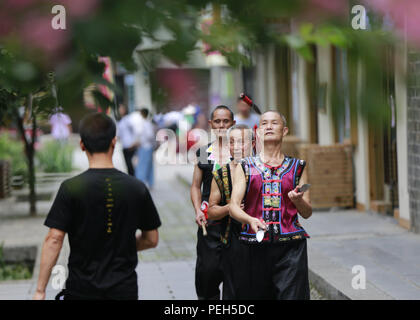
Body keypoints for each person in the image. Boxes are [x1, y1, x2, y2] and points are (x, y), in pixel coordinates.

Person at [33, 112, 161, 300]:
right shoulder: (136, 188)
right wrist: (122, 246)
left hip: (81, 290)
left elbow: (54, 239)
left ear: (82, 145)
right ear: (114, 142)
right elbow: (151, 239)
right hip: (123, 291)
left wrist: (40, 290)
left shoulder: (71, 188)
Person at [229, 110, 312, 300]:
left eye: (274, 123)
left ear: (284, 131)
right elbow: (233, 206)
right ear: (258, 132)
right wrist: (249, 219)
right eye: (264, 123)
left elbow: (307, 212)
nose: (269, 126)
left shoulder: (297, 167)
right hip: (254, 245)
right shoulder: (245, 166)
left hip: (291, 246)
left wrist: (298, 201)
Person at [190, 105, 235, 300]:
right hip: (210, 222)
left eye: (226, 121)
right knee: (207, 276)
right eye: (217, 121)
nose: (222, 125)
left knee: (236, 280)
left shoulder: (242, 152)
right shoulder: (203, 152)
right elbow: (195, 186)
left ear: (233, 124)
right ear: (210, 124)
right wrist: (198, 210)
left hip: (236, 223)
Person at [207, 124, 254, 300]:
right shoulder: (221, 174)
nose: (236, 146)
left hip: (263, 240)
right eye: (232, 142)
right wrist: (230, 208)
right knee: (233, 292)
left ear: (252, 143)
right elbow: (211, 211)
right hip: (234, 240)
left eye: (241, 142)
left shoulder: (264, 170)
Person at [135, 108, 156, 190]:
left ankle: (141, 183)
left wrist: (141, 141)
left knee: (143, 166)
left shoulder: (145, 123)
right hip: (147, 146)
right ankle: (149, 183)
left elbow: (149, 135)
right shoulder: (146, 123)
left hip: (145, 146)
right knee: (148, 166)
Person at [117, 104, 137, 176]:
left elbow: (135, 131)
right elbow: (119, 135)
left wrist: (135, 142)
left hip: (131, 145)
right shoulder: (121, 121)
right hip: (124, 145)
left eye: (121, 109)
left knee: (131, 164)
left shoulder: (129, 120)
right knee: (128, 165)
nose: (120, 110)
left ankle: (134, 178)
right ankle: (131, 178)